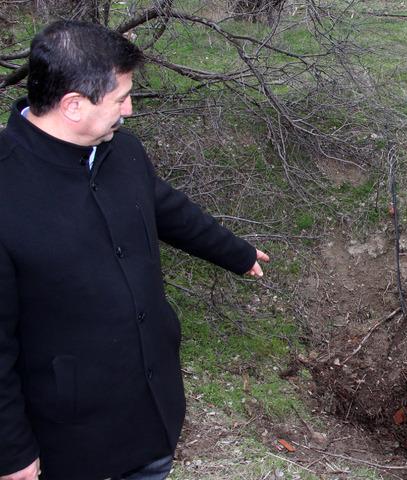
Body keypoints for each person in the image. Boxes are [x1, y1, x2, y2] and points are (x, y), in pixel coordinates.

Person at [0, 20, 270, 480]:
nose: (129, 109)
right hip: (70, 440)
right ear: (72, 105)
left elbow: (167, 209)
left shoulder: (122, 152)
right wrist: (10, 451)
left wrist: (236, 252)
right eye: (121, 98)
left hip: (151, 412)